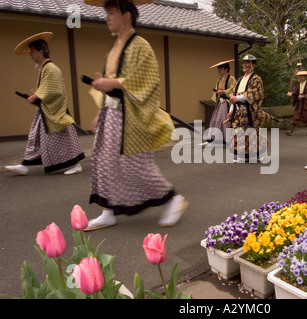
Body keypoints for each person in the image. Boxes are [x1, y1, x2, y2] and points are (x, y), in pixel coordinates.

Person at [84, 0, 188, 231]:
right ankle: (108, 210)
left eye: (111, 13)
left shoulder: (140, 45)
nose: (107, 17)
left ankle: (173, 198)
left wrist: (111, 82)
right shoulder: (114, 48)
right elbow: (111, 86)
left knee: (135, 165)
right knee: (104, 160)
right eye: (107, 13)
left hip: (131, 117)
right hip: (111, 114)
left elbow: (148, 80)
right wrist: (100, 111)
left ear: (126, 15)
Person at [5, 32, 85, 176]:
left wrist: (36, 96)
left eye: (32, 52)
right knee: (36, 138)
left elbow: (53, 89)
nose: (31, 55)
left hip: (56, 112)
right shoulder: (46, 68)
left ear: (41, 52)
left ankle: (75, 164)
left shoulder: (51, 68)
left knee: (61, 140)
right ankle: (25, 164)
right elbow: (47, 88)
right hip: (47, 111)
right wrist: (37, 97)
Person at [227, 54, 269, 163]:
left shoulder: (256, 79)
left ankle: (258, 154)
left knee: (253, 133)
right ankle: (242, 155)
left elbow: (253, 94)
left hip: (250, 111)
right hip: (238, 111)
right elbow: (233, 95)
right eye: (244, 63)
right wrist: (231, 110)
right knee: (238, 132)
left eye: (248, 63)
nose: (245, 65)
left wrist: (237, 98)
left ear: (253, 65)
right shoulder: (240, 79)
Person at [200, 59, 236, 146]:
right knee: (214, 120)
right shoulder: (219, 80)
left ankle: (227, 141)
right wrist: (217, 93)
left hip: (226, 103)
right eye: (218, 68)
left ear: (226, 69)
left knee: (224, 121)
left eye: (221, 68)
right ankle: (212, 140)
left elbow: (234, 88)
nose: (219, 70)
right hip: (220, 102)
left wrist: (223, 92)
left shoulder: (230, 78)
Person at [286, 70, 307, 136]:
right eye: (300, 76)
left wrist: (304, 96)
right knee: (295, 116)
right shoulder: (298, 85)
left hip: (305, 103)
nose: (301, 78)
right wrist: (291, 94)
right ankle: (291, 131)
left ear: (305, 77)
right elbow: (295, 92)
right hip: (299, 103)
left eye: (303, 76)